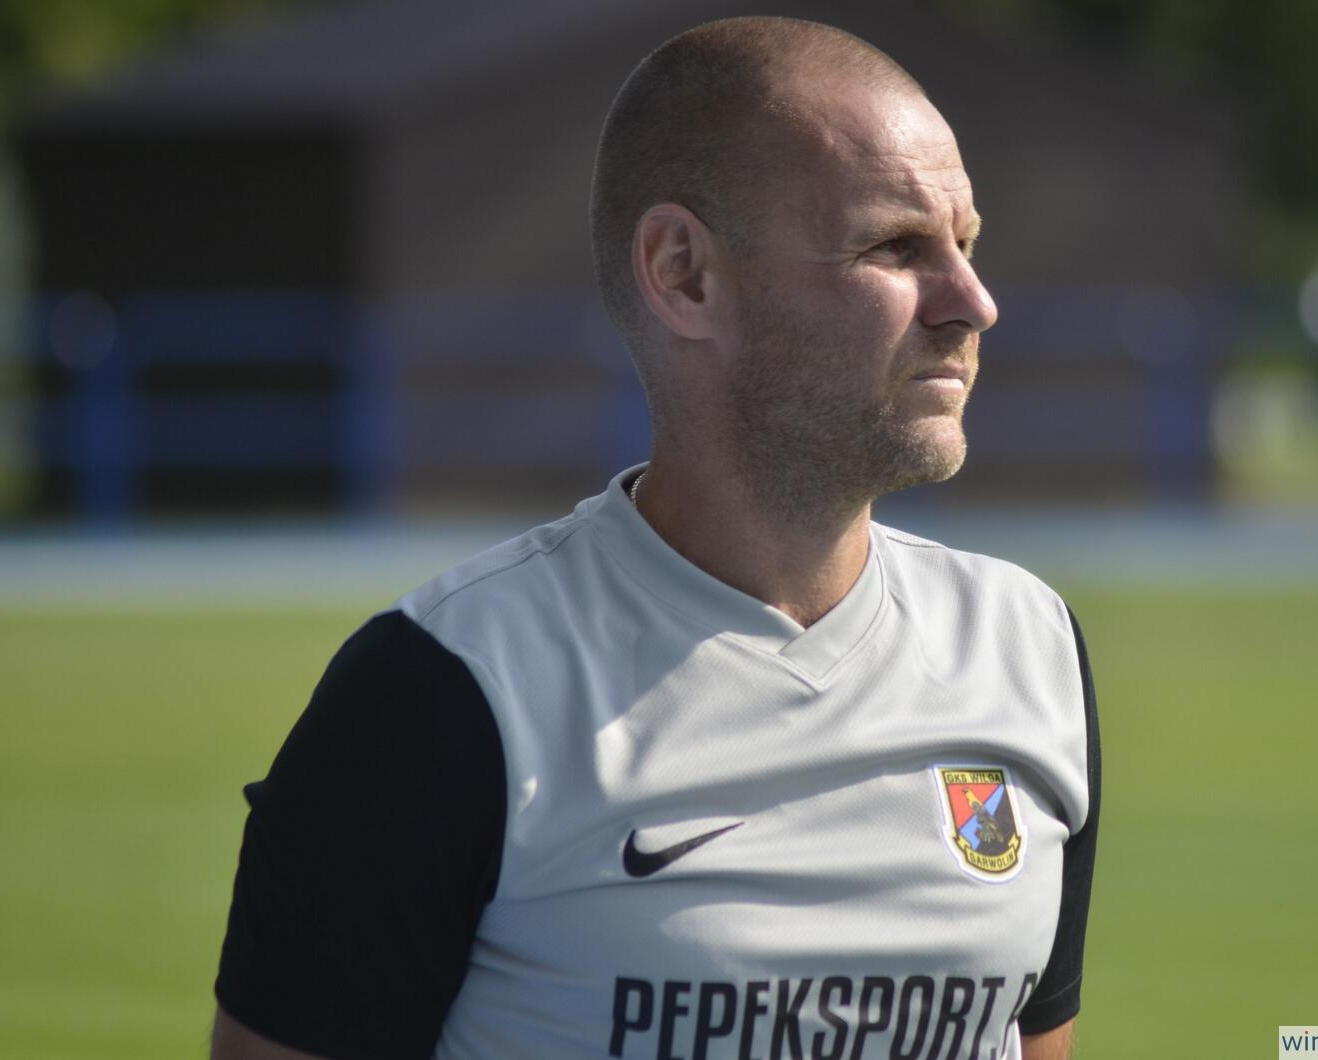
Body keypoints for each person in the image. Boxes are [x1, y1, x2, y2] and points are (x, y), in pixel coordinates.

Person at [211, 15, 1099, 1060]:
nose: (973, 303)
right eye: (896, 246)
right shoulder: (445, 689)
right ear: (683, 274)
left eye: (966, 243)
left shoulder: (1027, 645)